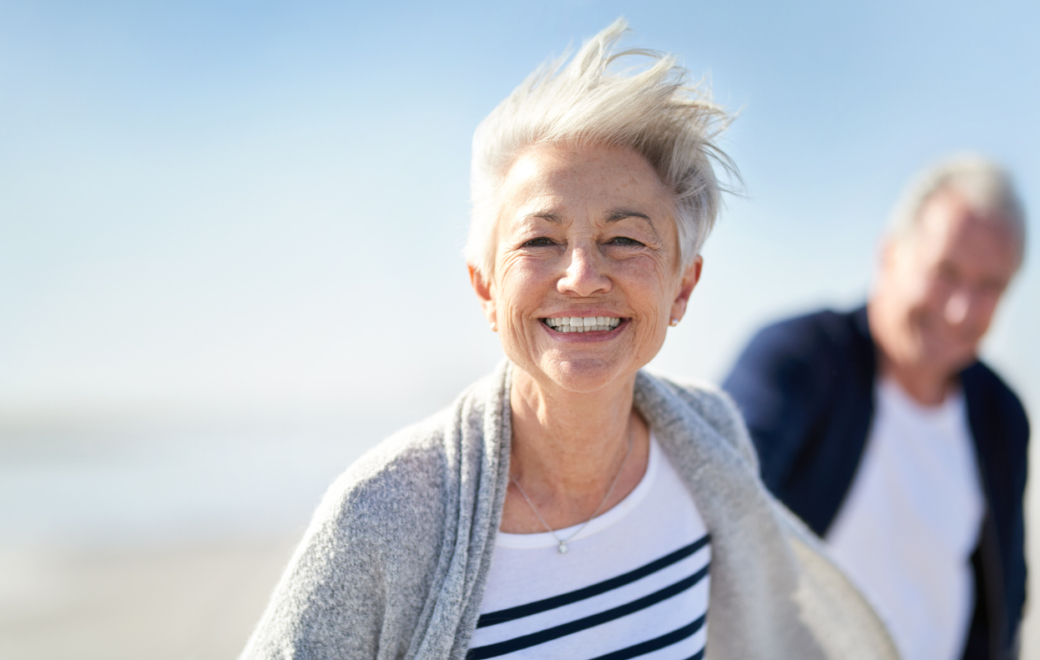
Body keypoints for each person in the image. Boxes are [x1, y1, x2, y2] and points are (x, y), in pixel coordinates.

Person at [241, 21, 897, 660]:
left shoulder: (709, 440)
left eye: (625, 239)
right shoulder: (386, 513)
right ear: (485, 289)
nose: (582, 277)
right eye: (540, 240)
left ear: (683, 287)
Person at [723, 156, 1029, 660]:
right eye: (945, 272)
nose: (960, 309)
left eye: (989, 287)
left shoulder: (1002, 415)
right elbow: (717, 511)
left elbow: (1007, 594)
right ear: (889, 255)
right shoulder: (797, 360)